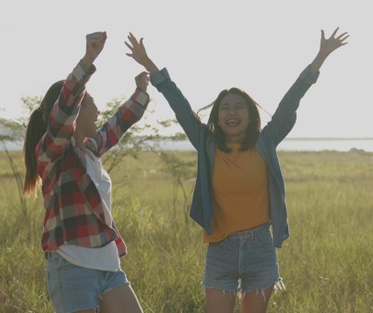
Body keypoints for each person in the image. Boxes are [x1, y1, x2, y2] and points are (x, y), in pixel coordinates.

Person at [126, 29, 348, 313]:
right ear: (217, 117)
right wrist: (149, 64)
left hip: (260, 248)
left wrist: (321, 57)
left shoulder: (265, 141)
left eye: (239, 107)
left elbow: (290, 101)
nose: (232, 112)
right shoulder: (207, 144)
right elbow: (179, 105)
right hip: (220, 249)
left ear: (250, 114)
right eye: (225, 108)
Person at [23, 32, 149, 313]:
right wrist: (88, 60)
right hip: (72, 266)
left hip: (108, 266)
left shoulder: (90, 149)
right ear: (77, 112)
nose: (98, 109)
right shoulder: (52, 153)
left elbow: (119, 122)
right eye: (91, 103)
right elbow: (65, 107)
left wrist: (141, 90)